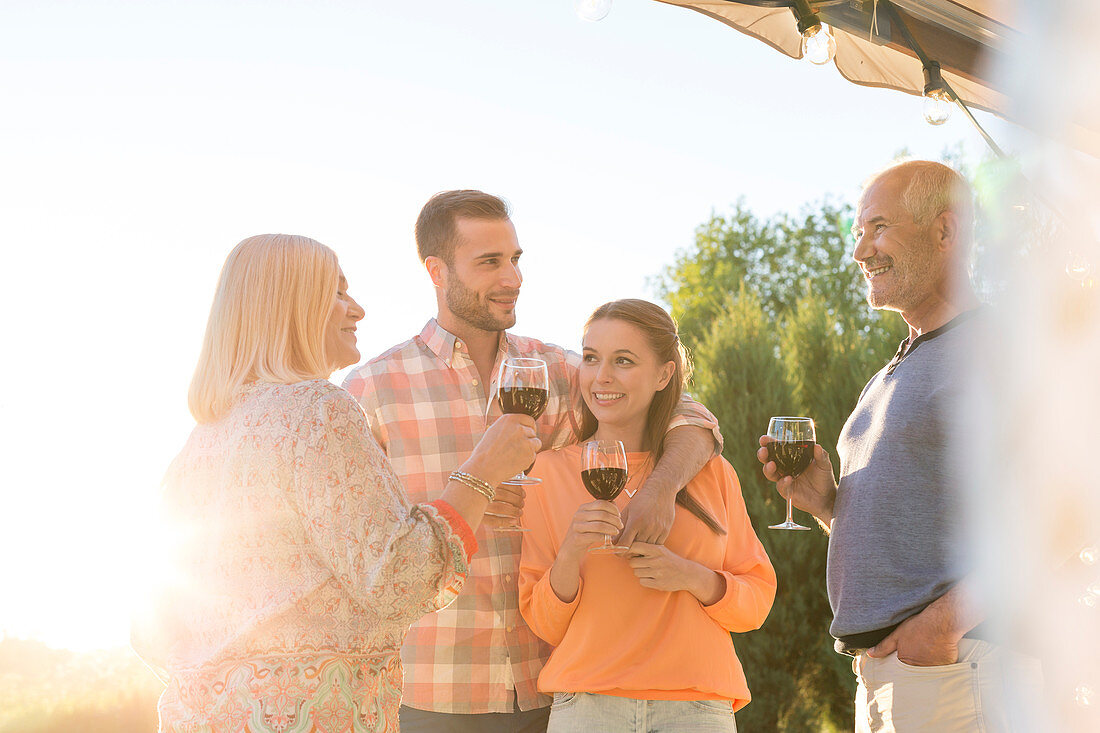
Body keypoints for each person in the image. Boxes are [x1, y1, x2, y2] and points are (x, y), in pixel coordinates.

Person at [342, 191, 723, 732]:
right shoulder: (372, 389)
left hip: (554, 687)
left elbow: (691, 419)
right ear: (437, 270)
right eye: (490, 262)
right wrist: (464, 499)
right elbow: (361, 549)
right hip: (431, 688)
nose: (512, 278)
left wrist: (660, 489)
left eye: (515, 259)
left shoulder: (558, 370)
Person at [131, 234, 540, 732]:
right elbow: (398, 579)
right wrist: (480, 474)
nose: (358, 310)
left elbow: (149, 630)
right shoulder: (319, 410)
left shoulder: (202, 442)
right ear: (291, 305)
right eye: (338, 292)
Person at [756, 160, 1042, 731]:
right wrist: (830, 506)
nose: (861, 251)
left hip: (955, 669)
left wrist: (942, 628)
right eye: (858, 233)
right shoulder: (899, 364)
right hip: (897, 675)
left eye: (878, 227)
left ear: (945, 232)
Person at [518, 299, 776, 732]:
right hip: (588, 709)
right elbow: (544, 623)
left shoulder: (712, 474)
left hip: (697, 710)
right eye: (591, 358)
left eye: (624, 361)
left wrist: (691, 576)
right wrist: (570, 553)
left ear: (664, 375)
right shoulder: (548, 472)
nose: (602, 377)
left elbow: (756, 603)